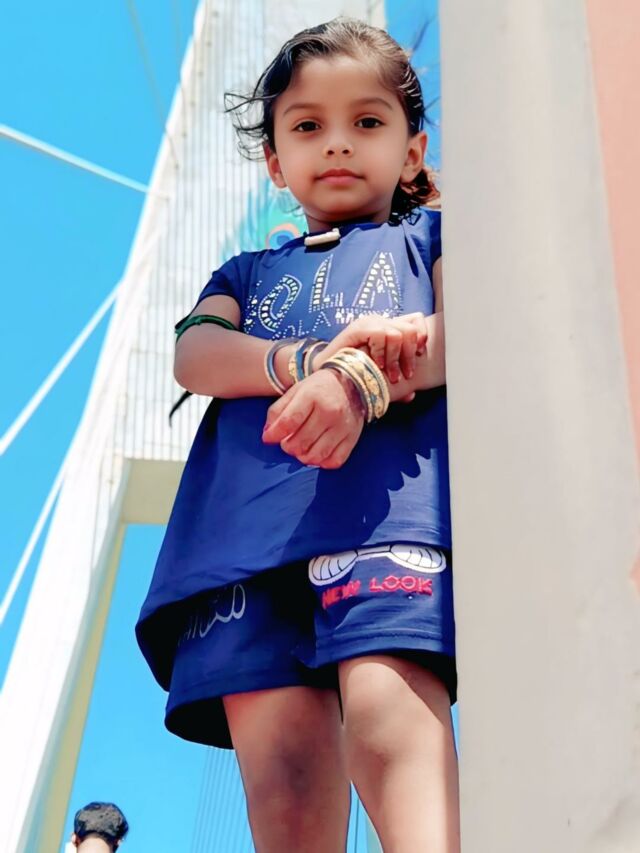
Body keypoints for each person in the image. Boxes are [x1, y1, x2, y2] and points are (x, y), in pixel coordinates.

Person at [137, 17, 459, 852]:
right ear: (275, 163)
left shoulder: (432, 240)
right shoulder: (245, 274)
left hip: (383, 513)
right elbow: (196, 354)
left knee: (389, 713)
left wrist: (360, 380)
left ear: (413, 152)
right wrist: (312, 360)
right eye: (308, 125)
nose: (338, 142)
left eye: (368, 121)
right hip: (244, 541)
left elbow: (469, 333)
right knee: (282, 777)